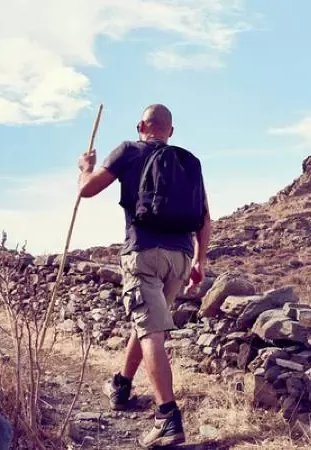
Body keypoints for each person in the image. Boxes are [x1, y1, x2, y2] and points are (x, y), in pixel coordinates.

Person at [76, 103, 211, 448]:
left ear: (141, 125)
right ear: (171, 131)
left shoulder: (128, 151)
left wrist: (85, 168)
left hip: (144, 252)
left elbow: (87, 190)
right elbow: (205, 218)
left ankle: (167, 417)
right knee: (149, 324)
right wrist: (199, 262)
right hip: (180, 257)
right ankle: (121, 384)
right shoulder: (187, 162)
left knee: (150, 328)